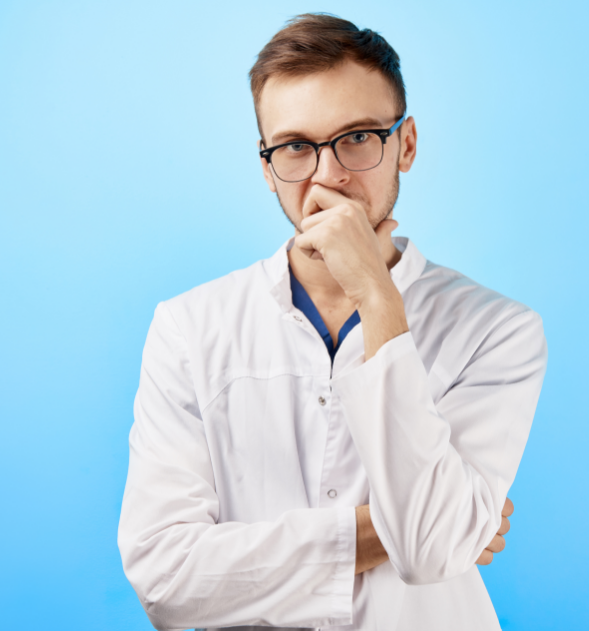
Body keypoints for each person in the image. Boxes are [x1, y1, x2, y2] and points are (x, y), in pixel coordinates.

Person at [118, 13, 547, 631]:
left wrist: (378, 298)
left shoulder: (497, 330)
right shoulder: (189, 327)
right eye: (295, 146)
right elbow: (165, 583)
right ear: (267, 168)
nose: (328, 175)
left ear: (407, 144)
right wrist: (403, 527)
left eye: (358, 137)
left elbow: (429, 553)